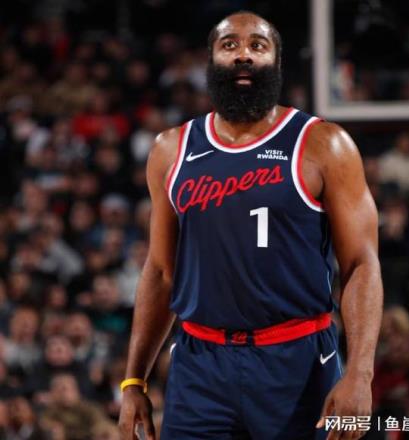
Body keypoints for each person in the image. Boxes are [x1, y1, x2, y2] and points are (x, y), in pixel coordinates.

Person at [118, 11, 383, 440]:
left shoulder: (324, 144)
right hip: (200, 364)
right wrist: (134, 380)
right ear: (211, 61)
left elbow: (361, 265)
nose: (243, 54)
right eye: (230, 45)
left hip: (297, 359)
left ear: (276, 62)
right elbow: (162, 271)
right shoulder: (171, 150)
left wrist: (360, 373)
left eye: (258, 45)